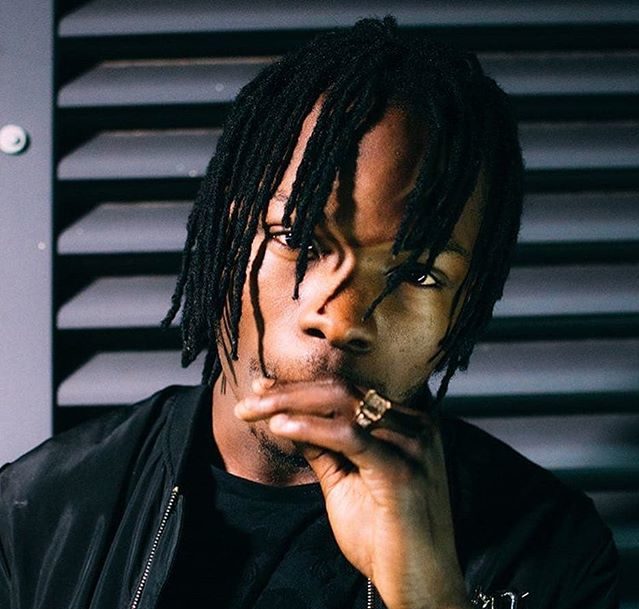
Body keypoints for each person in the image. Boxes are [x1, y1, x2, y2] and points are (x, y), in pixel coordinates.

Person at [0, 16, 618, 609]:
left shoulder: (552, 549)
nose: (341, 318)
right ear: (227, 239)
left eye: (418, 274)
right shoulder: (39, 514)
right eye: (297, 238)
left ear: (464, 308)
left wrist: (429, 594)